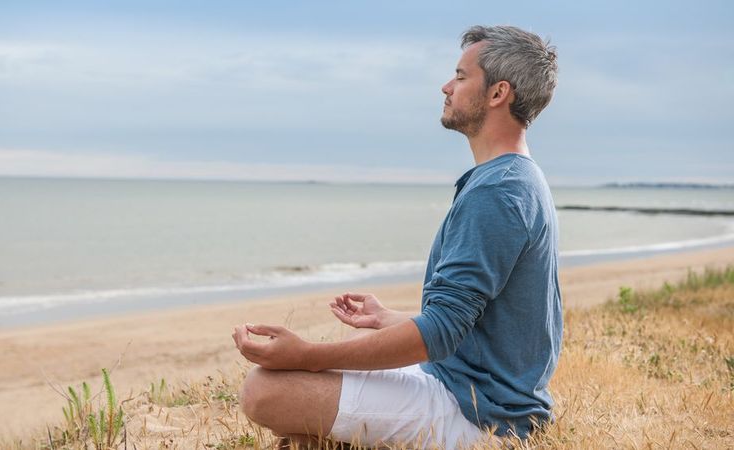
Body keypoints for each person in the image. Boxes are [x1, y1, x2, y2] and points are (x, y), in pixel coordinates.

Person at [232, 24, 561, 449]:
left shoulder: (498, 191)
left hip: (484, 415)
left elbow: (441, 332)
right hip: (475, 386)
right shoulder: (515, 177)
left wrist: (307, 355)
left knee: (264, 391)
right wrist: (388, 317)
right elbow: (478, 321)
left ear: (498, 93)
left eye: (461, 77)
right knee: (360, 342)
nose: (446, 86)